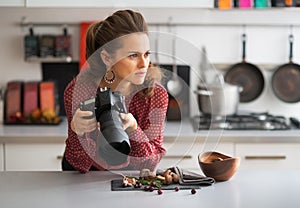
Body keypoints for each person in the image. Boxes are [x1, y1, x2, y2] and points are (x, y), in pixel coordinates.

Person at [62, 9, 169, 173]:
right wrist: (77, 132)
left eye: (146, 54)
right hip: (87, 177)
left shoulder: (155, 94)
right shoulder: (80, 90)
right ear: (107, 58)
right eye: (133, 55)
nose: (143, 64)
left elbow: (150, 165)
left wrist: (134, 130)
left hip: (131, 177)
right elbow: (78, 165)